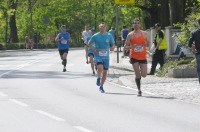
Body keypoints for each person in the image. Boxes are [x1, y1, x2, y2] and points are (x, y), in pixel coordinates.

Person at [124, 18, 149, 96]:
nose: (136, 25)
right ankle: (139, 90)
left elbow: (148, 44)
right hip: (134, 57)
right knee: (137, 74)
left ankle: (140, 76)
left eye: (138, 23)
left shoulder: (144, 33)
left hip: (143, 56)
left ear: (140, 24)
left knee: (144, 75)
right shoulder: (130, 35)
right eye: (135, 23)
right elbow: (125, 47)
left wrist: (146, 44)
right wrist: (131, 47)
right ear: (133, 25)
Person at [88, 22, 115, 93]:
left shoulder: (109, 36)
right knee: (100, 68)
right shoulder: (95, 36)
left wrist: (112, 48)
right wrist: (93, 49)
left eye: (103, 27)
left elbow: (113, 44)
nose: (102, 28)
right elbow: (89, 43)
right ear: (99, 28)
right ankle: (98, 78)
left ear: (105, 27)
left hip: (106, 57)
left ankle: (101, 86)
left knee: (105, 72)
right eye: (101, 27)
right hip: (98, 56)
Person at [188, 18, 200, 84]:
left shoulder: (194, 33)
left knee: (199, 69)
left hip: (199, 53)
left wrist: (193, 47)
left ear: (198, 23)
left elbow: (189, 44)